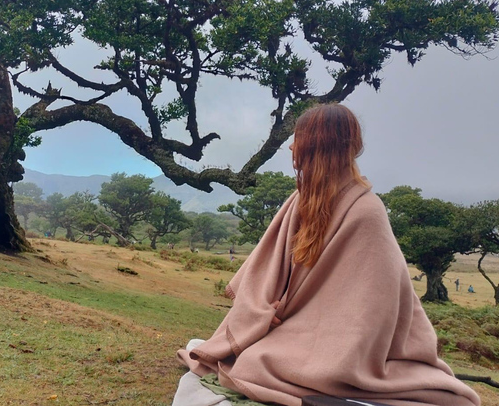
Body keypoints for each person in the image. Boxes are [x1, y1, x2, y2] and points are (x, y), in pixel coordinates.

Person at [173, 105, 479, 406]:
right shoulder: (300, 200)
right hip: (296, 325)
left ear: (317, 146)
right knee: (250, 358)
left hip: (348, 341)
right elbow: (269, 264)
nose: (291, 146)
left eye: (298, 139)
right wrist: (267, 309)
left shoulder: (367, 212)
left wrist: (317, 331)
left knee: (257, 362)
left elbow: (374, 306)